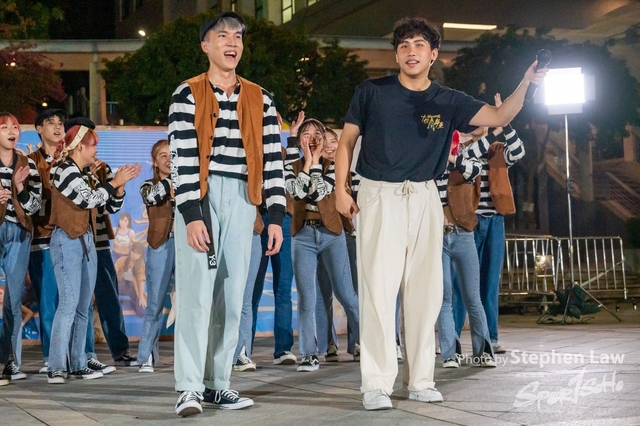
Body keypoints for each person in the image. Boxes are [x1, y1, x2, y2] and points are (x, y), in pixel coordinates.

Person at [334, 17, 547, 410]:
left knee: (426, 292)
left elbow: (499, 117)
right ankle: (376, 384)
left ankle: (420, 380)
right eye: (403, 45)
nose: (410, 51)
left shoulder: (449, 100)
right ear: (396, 54)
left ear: (433, 54)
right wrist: (340, 189)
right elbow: (346, 141)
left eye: (419, 45)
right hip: (379, 195)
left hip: (425, 196)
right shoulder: (372, 92)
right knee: (378, 292)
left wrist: (526, 82)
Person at [168, 12, 285, 417]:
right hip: (202, 195)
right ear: (206, 45)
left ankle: (218, 383)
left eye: (237, 36)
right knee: (197, 294)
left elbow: (272, 159)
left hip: (244, 196)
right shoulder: (187, 94)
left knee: (232, 296)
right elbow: (181, 159)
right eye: (222, 36)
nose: (232, 42)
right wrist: (191, 214)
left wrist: (274, 215)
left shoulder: (261, 97)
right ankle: (189, 387)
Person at [47, 124, 140, 384]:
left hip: (88, 240)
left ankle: (78, 363)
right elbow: (87, 199)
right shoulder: (63, 170)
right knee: (68, 303)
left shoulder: (87, 173)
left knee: (83, 305)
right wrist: (113, 183)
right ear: (80, 147)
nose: (96, 150)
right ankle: (56, 366)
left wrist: (119, 187)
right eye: (93, 145)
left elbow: (108, 205)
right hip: (66, 239)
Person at [453, 94, 526, 354]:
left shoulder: (497, 150)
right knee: (462, 283)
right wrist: (494, 128)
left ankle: (491, 338)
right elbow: (468, 160)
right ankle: (452, 339)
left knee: (490, 282)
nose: (476, 124)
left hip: (494, 220)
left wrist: (505, 123)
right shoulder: (463, 151)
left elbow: (519, 151)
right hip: (469, 222)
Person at [285, 118, 359, 372]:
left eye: (318, 134)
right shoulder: (290, 165)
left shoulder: (334, 166)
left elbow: (318, 192)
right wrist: (308, 162)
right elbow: (297, 192)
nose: (313, 138)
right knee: (307, 296)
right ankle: (308, 354)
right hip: (303, 235)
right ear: (300, 141)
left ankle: (369, 342)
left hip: (331, 234)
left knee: (346, 294)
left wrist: (314, 163)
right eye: (306, 134)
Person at [436, 131, 496, 369]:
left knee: (472, 296)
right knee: (444, 297)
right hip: (437, 238)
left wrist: (450, 157)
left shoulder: (466, 158)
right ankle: (450, 354)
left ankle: (483, 352)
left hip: (463, 235)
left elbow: (474, 171)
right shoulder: (429, 164)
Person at [0, 112, 42, 382]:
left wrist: (19, 188)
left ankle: (10, 362)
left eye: (14, 127)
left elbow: (35, 206)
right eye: (4, 127)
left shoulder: (27, 164)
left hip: (19, 232)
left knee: (13, 300)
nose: (11, 131)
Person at [314, 127, 360, 361]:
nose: (330, 146)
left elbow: (360, 205)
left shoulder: (351, 174)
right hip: (320, 235)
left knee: (350, 292)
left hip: (347, 236)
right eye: (325, 142)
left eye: (334, 141)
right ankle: (328, 344)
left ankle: (359, 342)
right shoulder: (313, 170)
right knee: (323, 293)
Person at [29, 108, 67, 374]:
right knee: (47, 300)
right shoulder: (30, 161)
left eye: (60, 123)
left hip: (70, 238)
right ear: (39, 129)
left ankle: (76, 356)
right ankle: (50, 357)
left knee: (72, 299)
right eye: (50, 123)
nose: (57, 127)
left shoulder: (71, 159)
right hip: (42, 238)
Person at [137, 139, 175, 372]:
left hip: (188, 246)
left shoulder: (188, 183)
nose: (169, 160)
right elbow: (151, 197)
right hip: (161, 245)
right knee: (155, 304)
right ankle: (146, 356)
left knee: (192, 303)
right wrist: (171, 181)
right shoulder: (148, 185)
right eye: (163, 156)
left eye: (172, 155)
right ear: (154, 162)